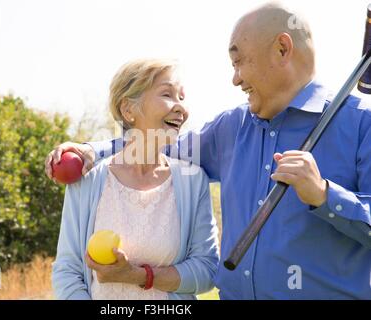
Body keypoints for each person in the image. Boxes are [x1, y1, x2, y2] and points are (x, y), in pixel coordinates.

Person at [47, 3, 371, 299]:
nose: (234, 78)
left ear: (282, 49)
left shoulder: (361, 124)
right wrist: (93, 150)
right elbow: (155, 141)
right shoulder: (231, 128)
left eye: (238, 61)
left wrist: (324, 195)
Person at [51, 58, 220, 300]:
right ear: (128, 110)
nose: (181, 108)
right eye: (167, 94)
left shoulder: (193, 182)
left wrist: (138, 275)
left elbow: (207, 270)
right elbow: (67, 271)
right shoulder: (87, 181)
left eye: (182, 98)